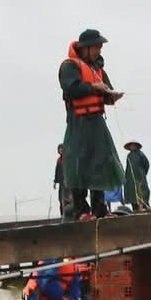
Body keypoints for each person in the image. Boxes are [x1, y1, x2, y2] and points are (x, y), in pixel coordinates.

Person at [59, 29, 124, 219]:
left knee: (101, 163)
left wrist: (112, 96)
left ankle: (100, 210)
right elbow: (71, 89)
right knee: (79, 163)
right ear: (85, 48)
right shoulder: (69, 66)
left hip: (96, 121)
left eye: (100, 47)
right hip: (78, 121)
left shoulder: (98, 69)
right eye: (96, 46)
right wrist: (92, 87)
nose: (99, 50)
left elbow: (106, 92)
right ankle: (81, 210)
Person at [123, 140, 151, 209]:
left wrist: (142, 173)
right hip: (130, 178)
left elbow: (146, 164)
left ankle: (145, 207)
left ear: (137, 146)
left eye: (134, 145)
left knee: (142, 192)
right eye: (131, 145)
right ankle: (135, 208)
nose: (132, 147)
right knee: (132, 193)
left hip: (140, 177)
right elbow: (128, 168)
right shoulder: (129, 156)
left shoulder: (140, 154)